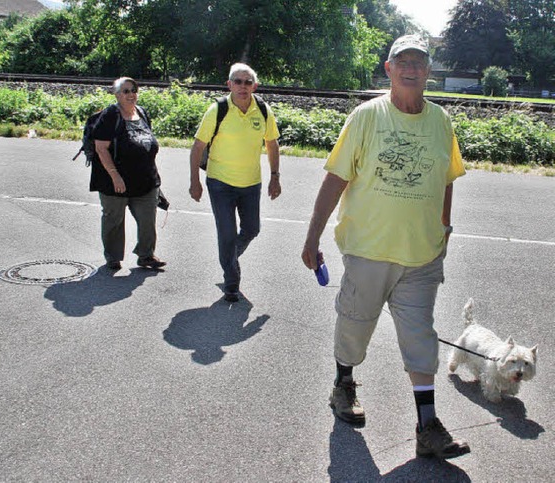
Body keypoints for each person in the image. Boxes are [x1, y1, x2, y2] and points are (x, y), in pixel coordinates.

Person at [301, 35, 470, 460]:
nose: (412, 68)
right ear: (389, 69)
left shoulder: (441, 122)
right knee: (355, 326)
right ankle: (343, 385)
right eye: (403, 61)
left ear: (429, 71)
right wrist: (312, 235)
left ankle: (427, 426)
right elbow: (336, 177)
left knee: (421, 339)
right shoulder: (366, 117)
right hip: (368, 251)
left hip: (422, 255)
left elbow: (446, 178)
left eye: (420, 62)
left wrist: (445, 228)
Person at [189, 63, 281, 302]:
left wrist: (275, 176)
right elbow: (198, 146)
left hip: (251, 183)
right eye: (237, 82)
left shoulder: (262, 109)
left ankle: (230, 257)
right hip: (220, 183)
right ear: (229, 84)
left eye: (247, 82)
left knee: (252, 229)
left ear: (255, 86)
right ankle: (232, 282)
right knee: (227, 234)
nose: (242, 86)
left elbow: (272, 144)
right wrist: (194, 181)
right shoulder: (217, 110)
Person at [91, 76, 166, 271]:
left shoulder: (142, 113)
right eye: (126, 91)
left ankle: (146, 255)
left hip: (145, 180)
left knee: (148, 219)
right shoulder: (110, 116)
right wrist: (115, 175)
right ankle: (113, 257)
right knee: (113, 220)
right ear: (116, 95)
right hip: (115, 181)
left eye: (134, 90)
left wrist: (155, 178)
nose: (131, 94)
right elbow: (101, 149)